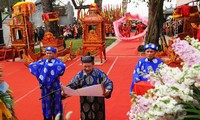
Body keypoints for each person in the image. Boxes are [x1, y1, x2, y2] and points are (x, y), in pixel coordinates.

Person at [64, 55, 113, 120]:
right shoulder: (80, 75)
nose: (87, 68)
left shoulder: (99, 73)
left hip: (98, 102)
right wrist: (65, 92)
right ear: (82, 65)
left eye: (89, 66)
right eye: (85, 66)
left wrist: (108, 90)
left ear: (93, 65)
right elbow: (72, 85)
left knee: (99, 117)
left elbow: (108, 82)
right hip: (85, 103)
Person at [28, 46, 66, 120]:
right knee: (46, 104)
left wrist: (47, 68)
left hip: (55, 88)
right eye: (47, 53)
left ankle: (57, 117)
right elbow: (33, 65)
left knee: (56, 104)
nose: (48, 55)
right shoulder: (43, 61)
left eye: (50, 53)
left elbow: (62, 67)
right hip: (45, 90)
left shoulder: (58, 62)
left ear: (54, 54)